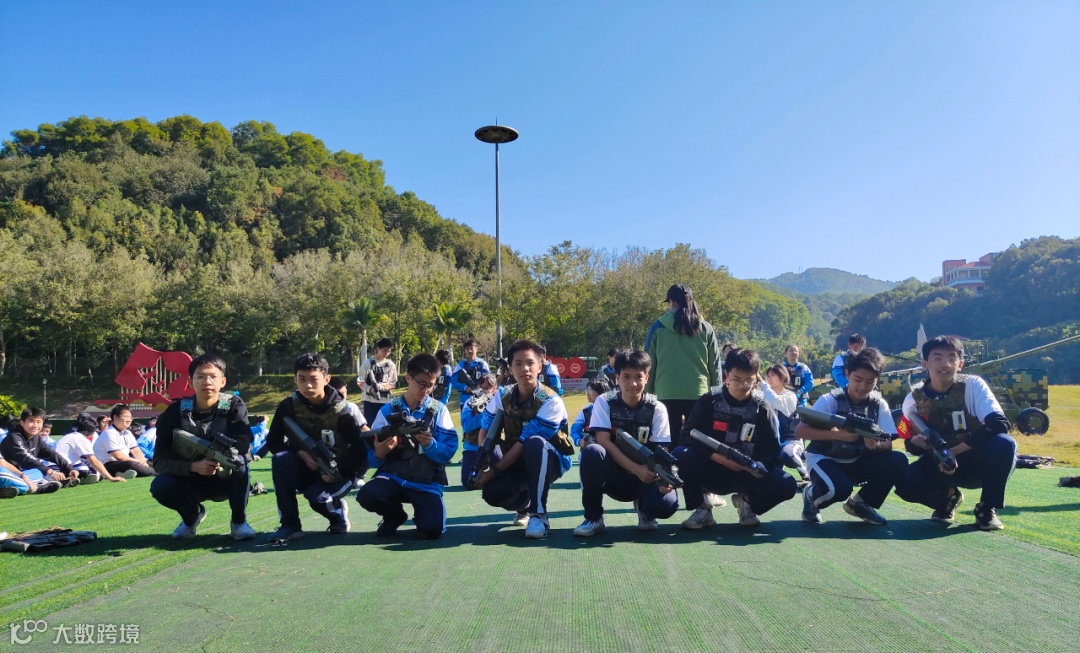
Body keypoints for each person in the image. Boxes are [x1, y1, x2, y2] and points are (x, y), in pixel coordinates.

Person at [894, 336, 1015, 530]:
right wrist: (916, 442)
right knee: (906, 485)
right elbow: (910, 444)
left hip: (978, 462)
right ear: (925, 364)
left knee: (1005, 444)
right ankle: (948, 499)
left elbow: (999, 423)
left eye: (952, 358)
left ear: (961, 364)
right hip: (939, 463)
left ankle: (986, 508)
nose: (946, 364)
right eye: (938, 358)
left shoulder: (973, 386)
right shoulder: (913, 400)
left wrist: (955, 451)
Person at [675, 349, 798, 529]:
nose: (742, 385)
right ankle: (702, 509)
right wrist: (718, 458)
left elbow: (772, 450)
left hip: (747, 473)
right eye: (736, 379)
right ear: (726, 375)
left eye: (749, 380)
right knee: (681, 454)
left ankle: (747, 502)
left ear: (756, 377)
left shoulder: (762, 407)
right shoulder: (709, 401)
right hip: (711, 469)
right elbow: (686, 436)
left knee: (787, 484)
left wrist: (759, 465)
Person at [469, 339, 572, 539]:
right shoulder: (503, 395)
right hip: (517, 457)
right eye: (518, 363)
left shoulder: (551, 401)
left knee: (534, 442)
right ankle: (524, 504)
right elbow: (485, 430)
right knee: (492, 493)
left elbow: (525, 442)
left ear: (540, 366)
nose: (525, 368)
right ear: (510, 368)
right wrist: (483, 457)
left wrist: (493, 472)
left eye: (530, 363)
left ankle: (538, 515)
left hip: (550, 460)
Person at [150, 354, 257, 540]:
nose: (207, 382)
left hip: (224, 477)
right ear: (190, 381)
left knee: (240, 465)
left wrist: (222, 458)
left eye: (213, 376)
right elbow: (160, 461)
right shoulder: (174, 412)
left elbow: (243, 440)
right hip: (188, 479)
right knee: (161, 486)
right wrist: (193, 467)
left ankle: (239, 522)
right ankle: (192, 516)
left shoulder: (233, 405)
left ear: (223, 381)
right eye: (200, 376)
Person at [796, 347, 907, 526]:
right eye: (858, 379)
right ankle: (811, 496)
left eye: (870, 382)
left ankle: (860, 503)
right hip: (824, 458)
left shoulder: (879, 404)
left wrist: (877, 446)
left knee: (898, 460)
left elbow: (888, 443)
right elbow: (800, 431)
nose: (862, 387)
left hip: (858, 459)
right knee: (839, 489)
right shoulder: (830, 400)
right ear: (847, 374)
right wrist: (837, 435)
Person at [574, 349, 679, 536]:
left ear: (647, 378)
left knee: (667, 505)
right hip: (614, 475)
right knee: (592, 451)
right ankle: (594, 518)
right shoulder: (604, 402)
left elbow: (661, 449)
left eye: (639, 377)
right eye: (626, 377)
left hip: (646, 474)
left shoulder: (657, 408)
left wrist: (663, 480)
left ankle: (645, 509)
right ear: (617, 379)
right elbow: (603, 441)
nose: (633, 383)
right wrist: (636, 469)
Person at [267, 353, 370, 541]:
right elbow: (273, 441)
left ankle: (337, 514)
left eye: (314, 379)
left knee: (319, 499)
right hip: (304, 468)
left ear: (326, 379)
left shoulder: (342, 411)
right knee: (280, 459)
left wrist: (338, 471)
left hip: (338, 474)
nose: (307, 385)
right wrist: (301, 454)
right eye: (302, 379)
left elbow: (360, 451)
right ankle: (290, 525)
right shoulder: (289, 405)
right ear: (295, 379)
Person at [357, 353, 459, 538]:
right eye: (421, 383)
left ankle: (424, 517)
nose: (426, 390)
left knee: (432, 530)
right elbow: (371, 458)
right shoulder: (387, 410)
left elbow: (448, 451)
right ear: (408, 378)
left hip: (426, 482)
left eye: (430, 385)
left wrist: (430, 445)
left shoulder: (439, 411)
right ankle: (394, 516)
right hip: (392, 477)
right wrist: (379, 454)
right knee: (367, 495)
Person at [644, 284, 724, 448]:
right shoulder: (705, 328)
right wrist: (716, 396)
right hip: (699, 394)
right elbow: (715, 366)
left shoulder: (658, 326)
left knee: (668, 441)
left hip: (665, 392)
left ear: (672, 302)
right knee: (696, 441)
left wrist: (648, 395)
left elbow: (648, 363)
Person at [1, 407, 81, 488]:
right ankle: (39, 485)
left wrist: (69, 468)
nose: (35, 425)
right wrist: (50, 472)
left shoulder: (36, 437)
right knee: (6, 475)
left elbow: (51, 454)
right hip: (10, 472)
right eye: (31, 421)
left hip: (26, 473)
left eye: (39, 422)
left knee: (38, 472)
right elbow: (25, 458)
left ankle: (30, 485)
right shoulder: (14, 437)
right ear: (22, 423)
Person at [759, 365, 810, 485]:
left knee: (787, 454)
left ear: (782, 377)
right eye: (767, 376)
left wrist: (762, 384)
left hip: (791, 441)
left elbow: (775, 401)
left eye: (772, 375)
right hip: (773, 443)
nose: (769, 378)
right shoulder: (763, 395)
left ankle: (806, 473)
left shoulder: (790, 396)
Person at [55, 414, 135, 484]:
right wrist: (111, 478)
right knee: (87, 470)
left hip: (56, 466)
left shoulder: (70, 435)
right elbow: (94, 462)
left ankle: (79, 477)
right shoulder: (82, 439)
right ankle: (75, 478)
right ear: (92, 432)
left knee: (94, 470)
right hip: (61, 467)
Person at [92, 404, 156, 477]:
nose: (129, 420)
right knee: (131, 464)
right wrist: (138, 461)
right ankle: (154, 473)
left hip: (123, 462)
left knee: (150, 463)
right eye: (125, 417)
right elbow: (119, 456)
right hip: (107, 465)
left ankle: (123, 473)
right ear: (115, 417)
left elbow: (136, 450)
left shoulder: (128, 433)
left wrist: (142, 460)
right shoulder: (109, 433)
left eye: (130, 417)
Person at [459, 373, 498, 486]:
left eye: (487, 388)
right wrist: (482, 413)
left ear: (494, 389)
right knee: (468, 482)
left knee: (502, 476)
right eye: (480, 388)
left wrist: (490, 410)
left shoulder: (498, 402)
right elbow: (467, 426)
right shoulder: (469, 402)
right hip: (473, 446)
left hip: (495, 446)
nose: (483, 391)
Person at [357, 338, 398, 426]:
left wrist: (381, 387)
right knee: (369, 426)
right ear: (378, 349)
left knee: (384, 426)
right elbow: (360, 381)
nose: (386, 353)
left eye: (388, 351)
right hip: (369, 401)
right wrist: (369, 389)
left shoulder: (391, 365)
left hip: (384, 401)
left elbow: (392, 383)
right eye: (384, 350)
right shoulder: (367, 363)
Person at [570, 378, 611, 452]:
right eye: (587, 391)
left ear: (601, 392)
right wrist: (579, 441)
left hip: (610, 450)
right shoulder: (585, 412)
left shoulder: (613, 410)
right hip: (590, 451)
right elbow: (575, 430)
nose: (587, 394)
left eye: (590, 391)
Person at [451, 339, 491, 405]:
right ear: (465, 351)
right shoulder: (460, 365)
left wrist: (480, 386)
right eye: (467, 349)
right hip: (465, 400)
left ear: (476, 349)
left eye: (471, 348)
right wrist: (465, 387)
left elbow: (489, 380)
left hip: (481, 399)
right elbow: (453, 380)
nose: (469, 351)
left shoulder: (483, 364)